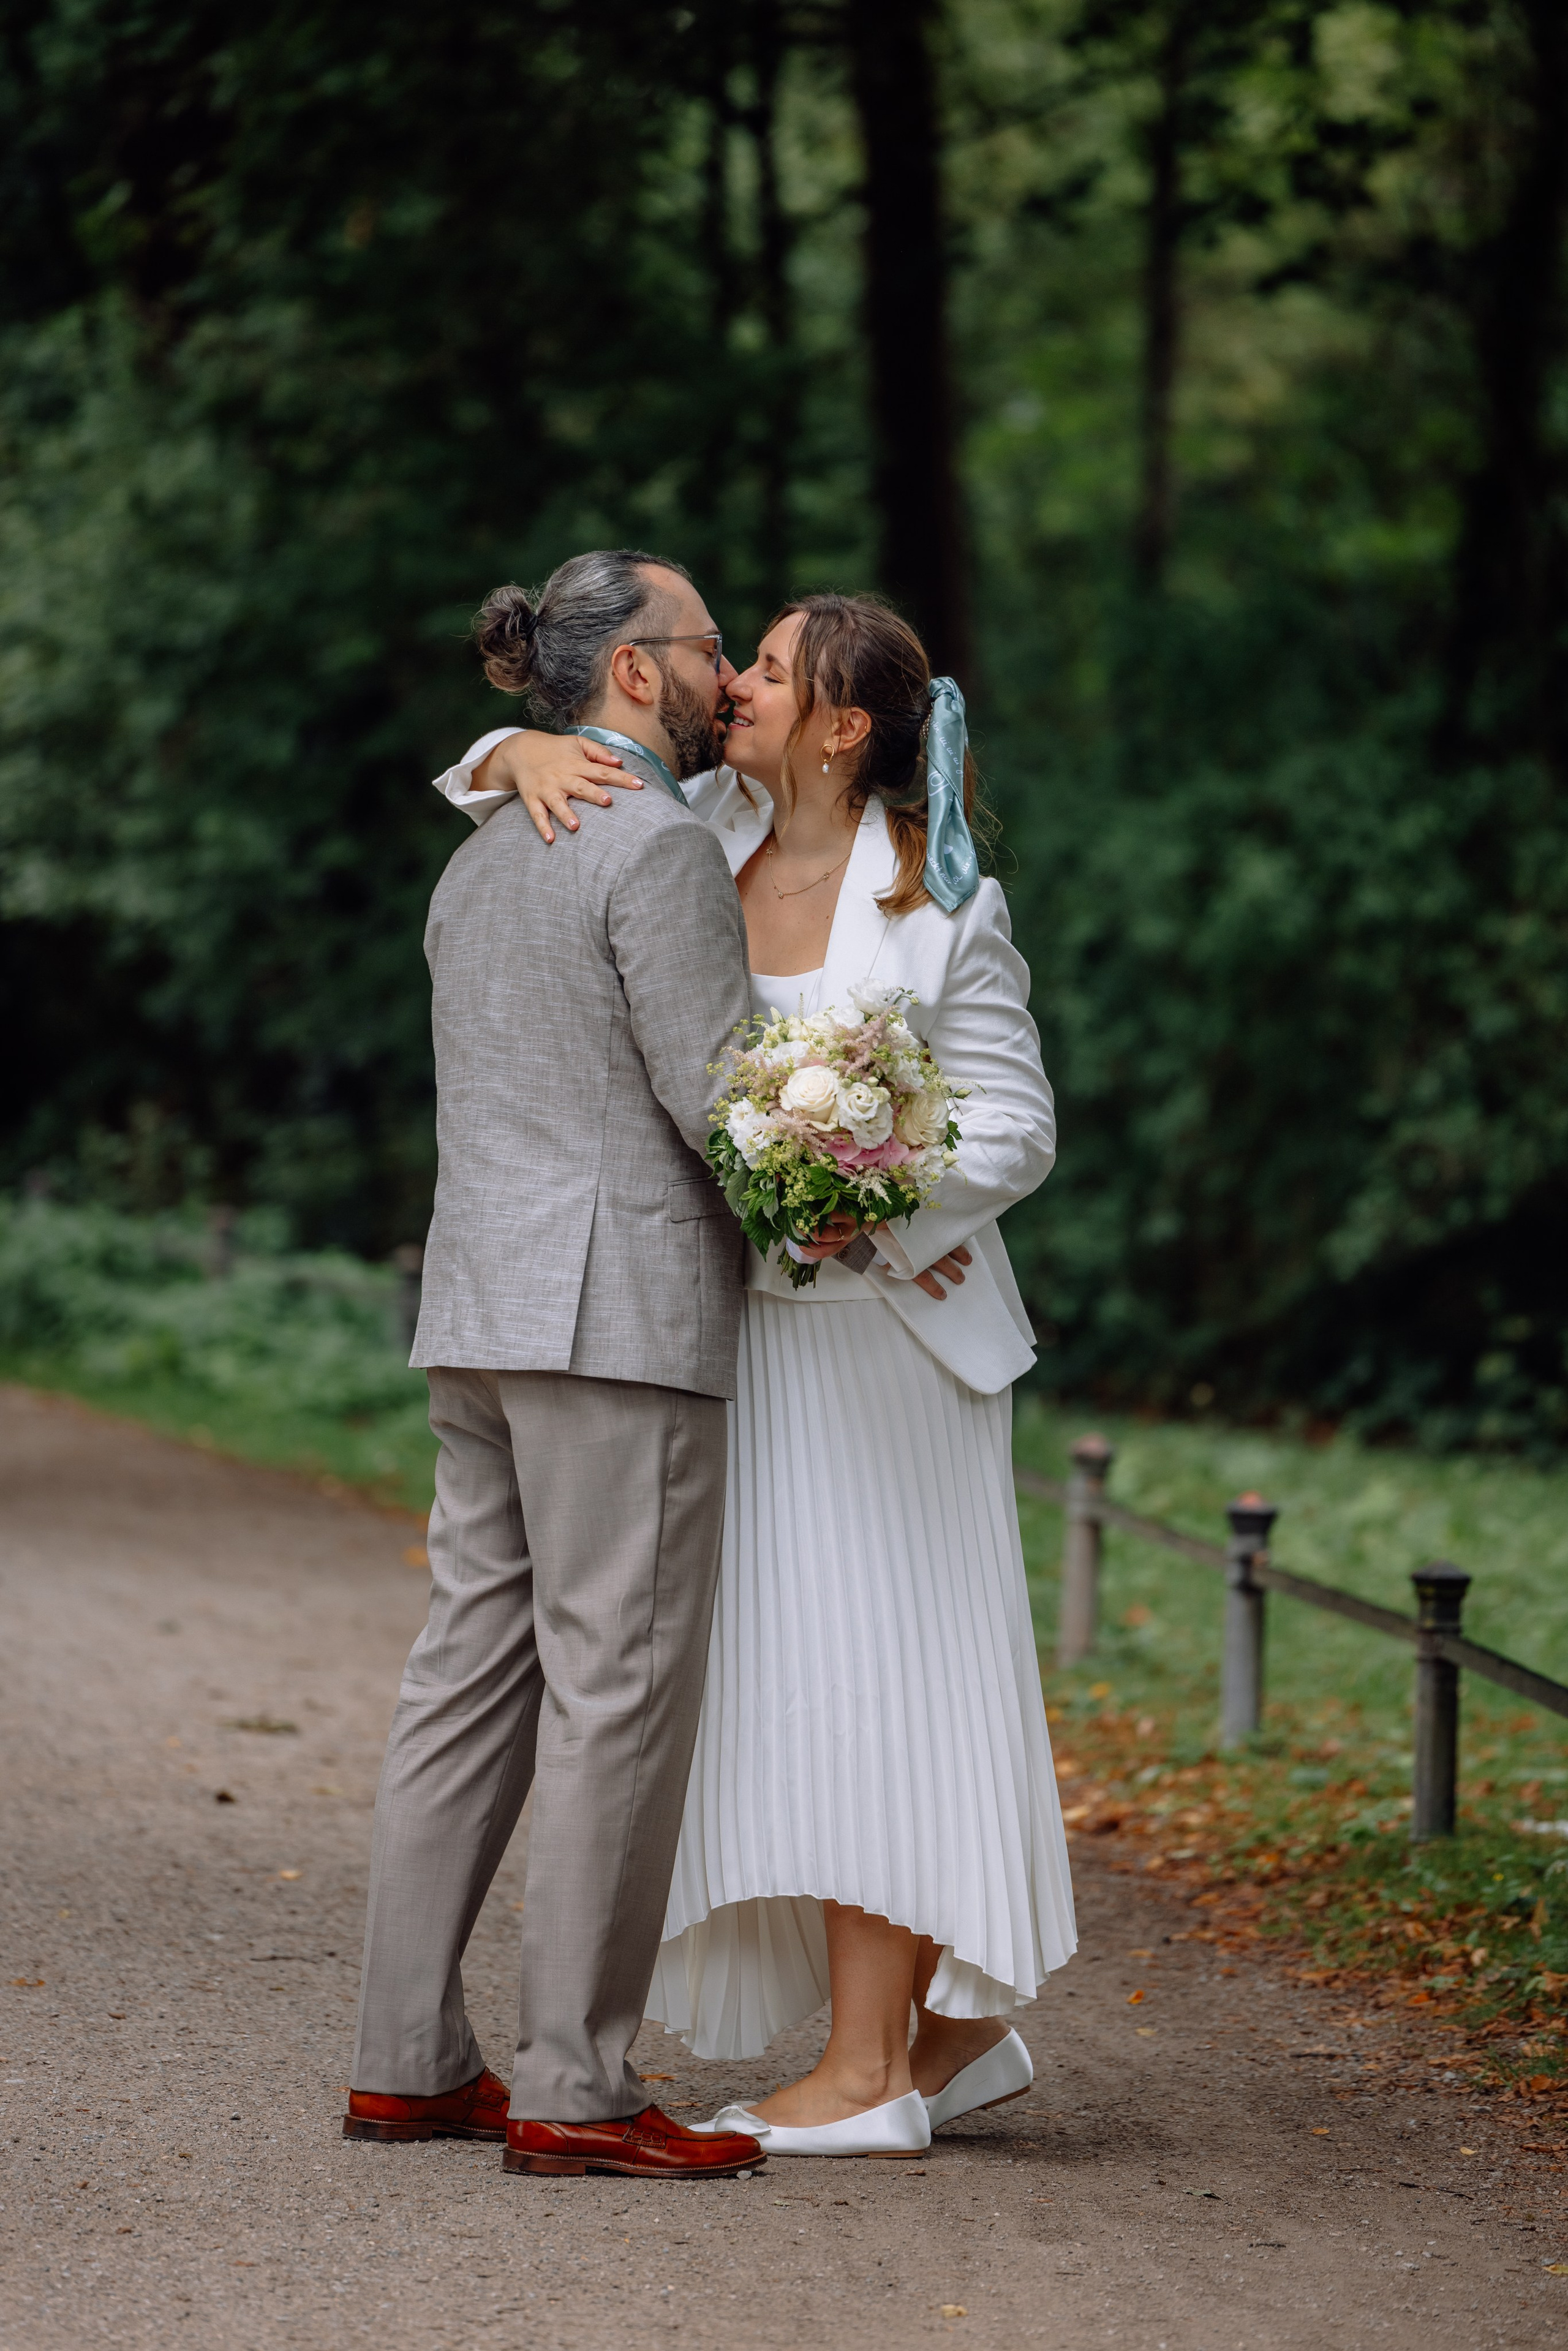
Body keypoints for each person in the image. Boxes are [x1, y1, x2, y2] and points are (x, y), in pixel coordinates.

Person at [436, 589, 1076, 2159]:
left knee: (884, 1683)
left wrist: (872, 1179)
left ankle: (870, 2071)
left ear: (845, 726)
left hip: (889, 1348)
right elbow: (528, 770)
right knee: (788, 1691)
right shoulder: (699, 827)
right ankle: (941, 2032)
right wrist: (512, 742)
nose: (735, 685)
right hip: (742, 1343)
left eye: (772, 669)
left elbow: (1014, 1126)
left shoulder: (939, 911)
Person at [343, 548, 769, 2183]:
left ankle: (405, 2062)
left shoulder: (480, 860)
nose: (733, 672)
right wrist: (842, 1233)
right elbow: (718, 1093)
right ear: (639, 675)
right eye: (713, 647)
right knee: (617, 1688)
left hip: (479, 1309)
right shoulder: (654, 847)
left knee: (464, 1681)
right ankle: (576, 2083)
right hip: (617, 1320)